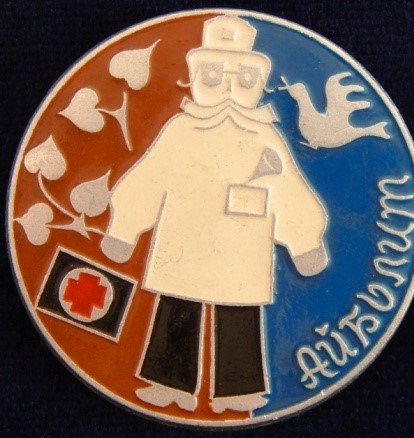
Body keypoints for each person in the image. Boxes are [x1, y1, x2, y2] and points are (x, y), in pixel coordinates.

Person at [101, 15, 328, 413]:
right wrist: (123, 228)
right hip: (182, 244)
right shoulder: (180, 132)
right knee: (177, 310)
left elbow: (290, 192)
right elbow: (147, 180)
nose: (227, 87)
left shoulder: (265, 137)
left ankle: (239, 390)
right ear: (196, 77)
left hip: (243, 248)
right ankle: (170, 384)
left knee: (238, 316)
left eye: (242, 77)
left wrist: (304, 241)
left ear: (256, 82)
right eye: (214, 74)